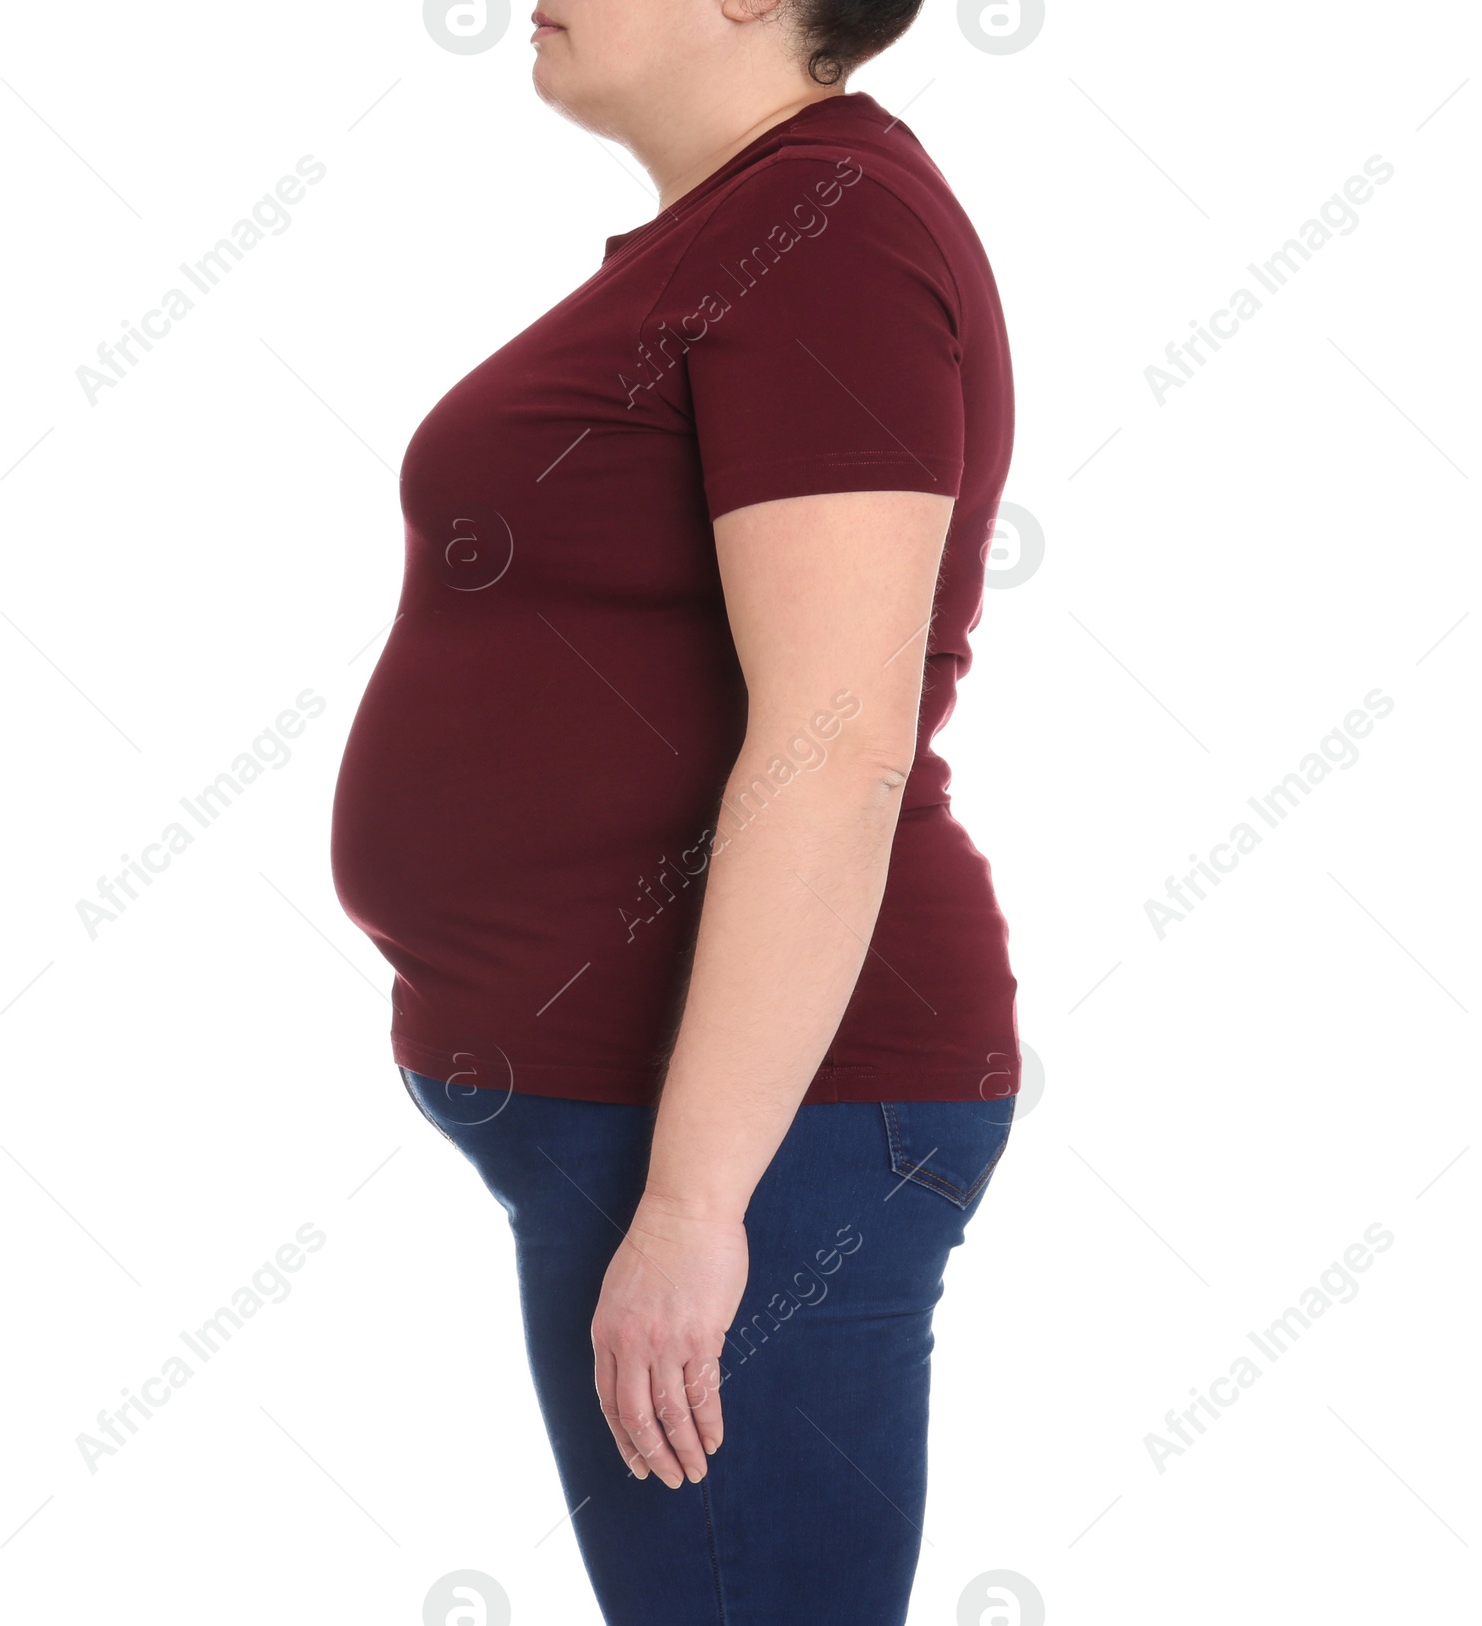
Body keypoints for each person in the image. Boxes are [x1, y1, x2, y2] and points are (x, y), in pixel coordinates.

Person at [330, 2, 1023, 1619]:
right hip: (671, 1124)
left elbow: (836, 739)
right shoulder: (750, 225)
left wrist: (700, 1203)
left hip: (772, 1128)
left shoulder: (825, 230)